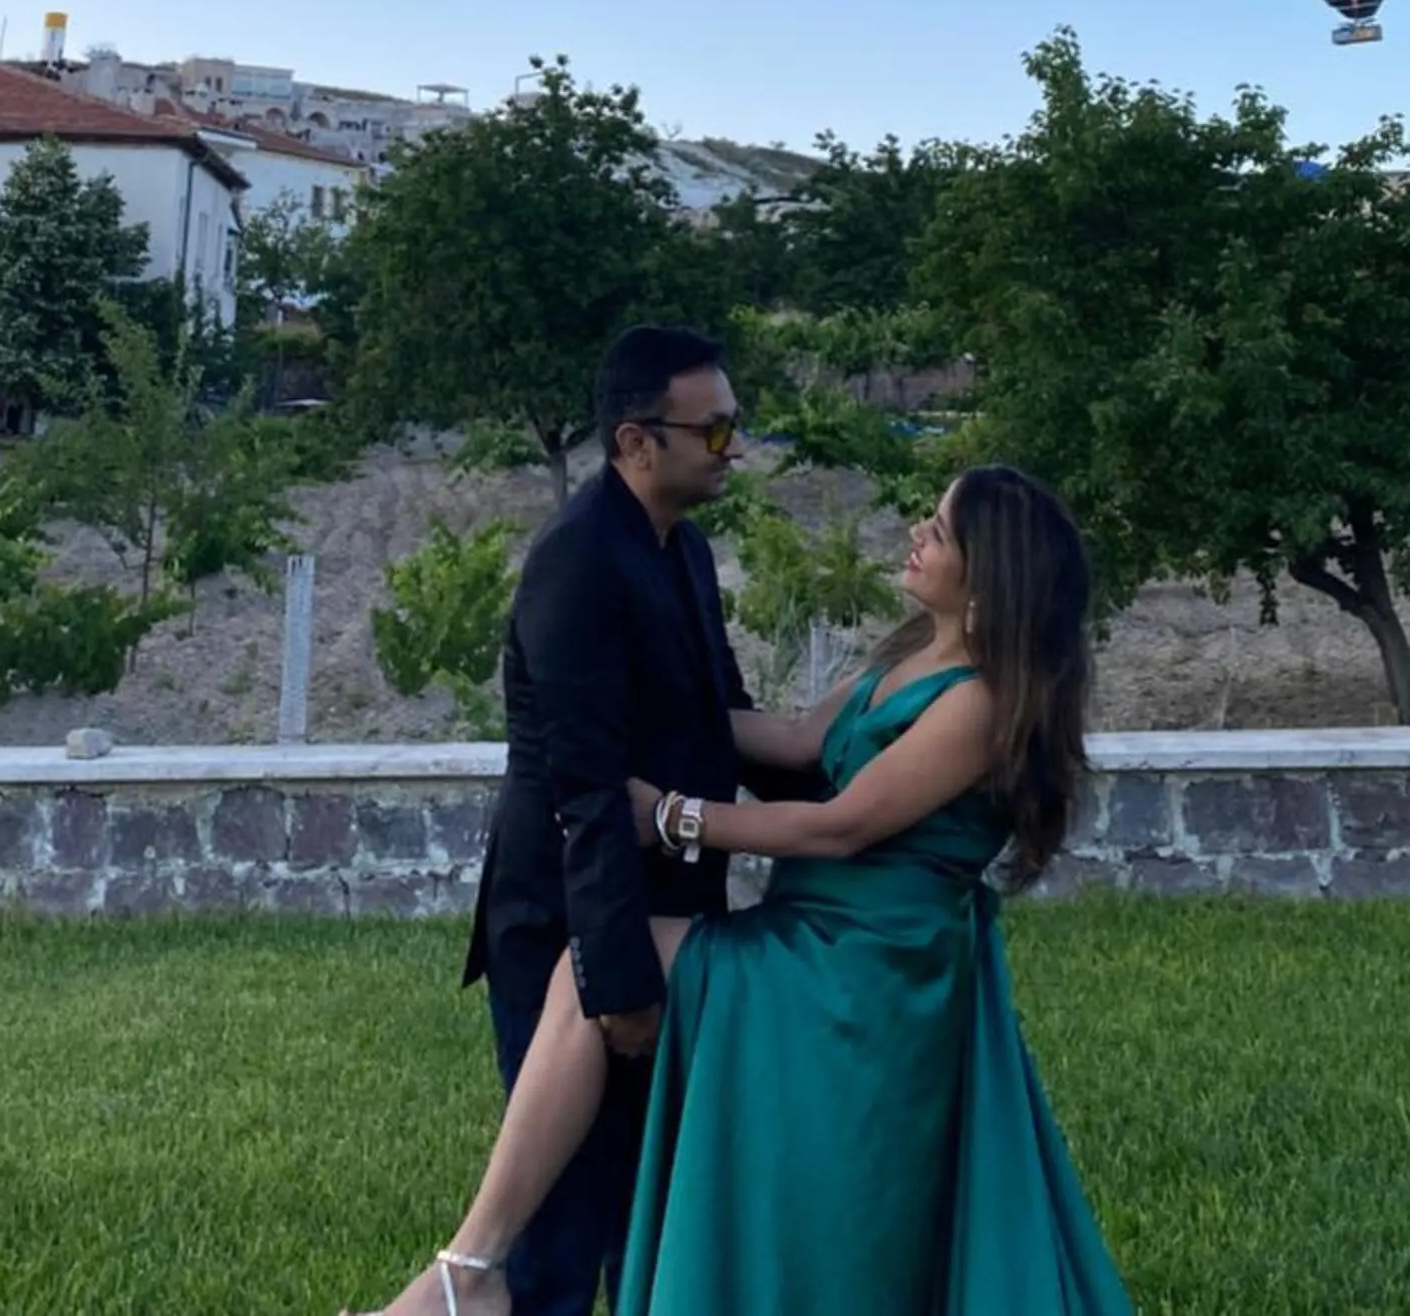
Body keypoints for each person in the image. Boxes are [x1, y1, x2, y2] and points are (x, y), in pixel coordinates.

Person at [348, 464, 1132, 1316]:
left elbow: (841, 825)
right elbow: (794, 742)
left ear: (992, 573)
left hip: (864, 974)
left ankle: (472, 1273)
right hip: (818, 938)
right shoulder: (915, 654)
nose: (916, 531)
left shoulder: (980, 703)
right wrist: (605, 702)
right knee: (598, 972)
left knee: (600, 967)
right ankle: (475, 1272)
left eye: (940, 531)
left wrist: (675, 816)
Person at [450, 327, 758, 1316]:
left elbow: (728, 721)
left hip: (665, 919)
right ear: (636, 441)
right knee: (558, 1234)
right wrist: (614, 980)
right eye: (712, 433)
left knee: (648, 1209)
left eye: (733, 428)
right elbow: (584, 795)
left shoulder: (686, 549)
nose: (733, 450)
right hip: (569, 931)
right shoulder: (578, 563)